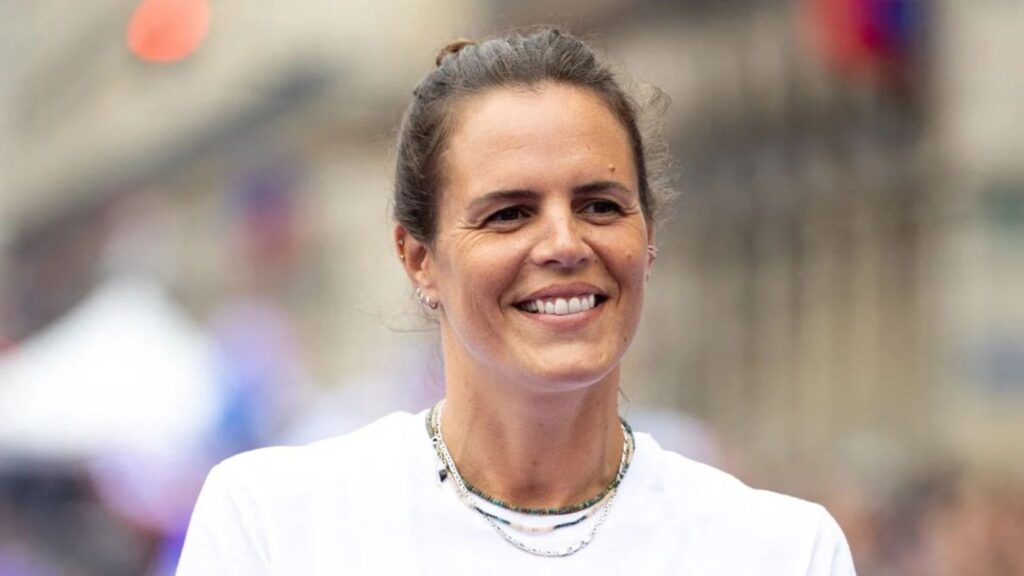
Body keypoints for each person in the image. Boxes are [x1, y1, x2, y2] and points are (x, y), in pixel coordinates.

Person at [177, 28, 856, 575]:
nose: (564, 243)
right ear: (419, 259)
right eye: (508, 214)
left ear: (648, 237)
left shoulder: (782, 550)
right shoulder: (275, 522)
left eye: (600, 205)